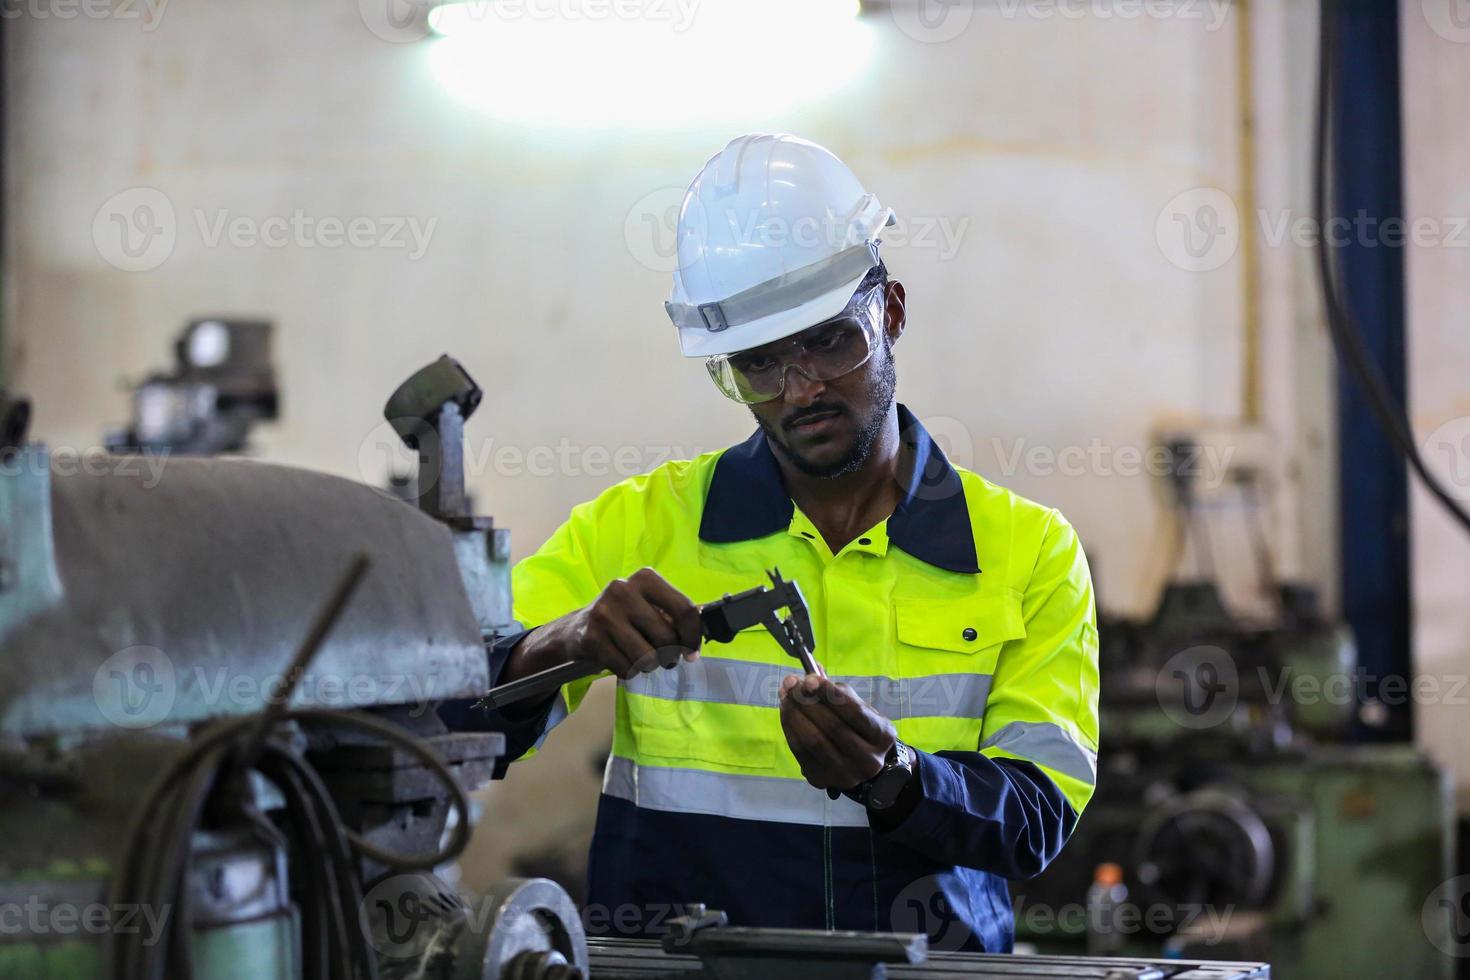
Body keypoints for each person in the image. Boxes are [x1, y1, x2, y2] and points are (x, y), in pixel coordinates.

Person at [451, 134, 1099, 953]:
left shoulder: (1027, 551)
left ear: (891, 311)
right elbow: (451, 720)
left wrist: (896, 780)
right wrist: (564, 642)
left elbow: (1038, 819)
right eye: (759, 362)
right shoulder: (640, 527)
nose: (802, 389)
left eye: (831, 340)